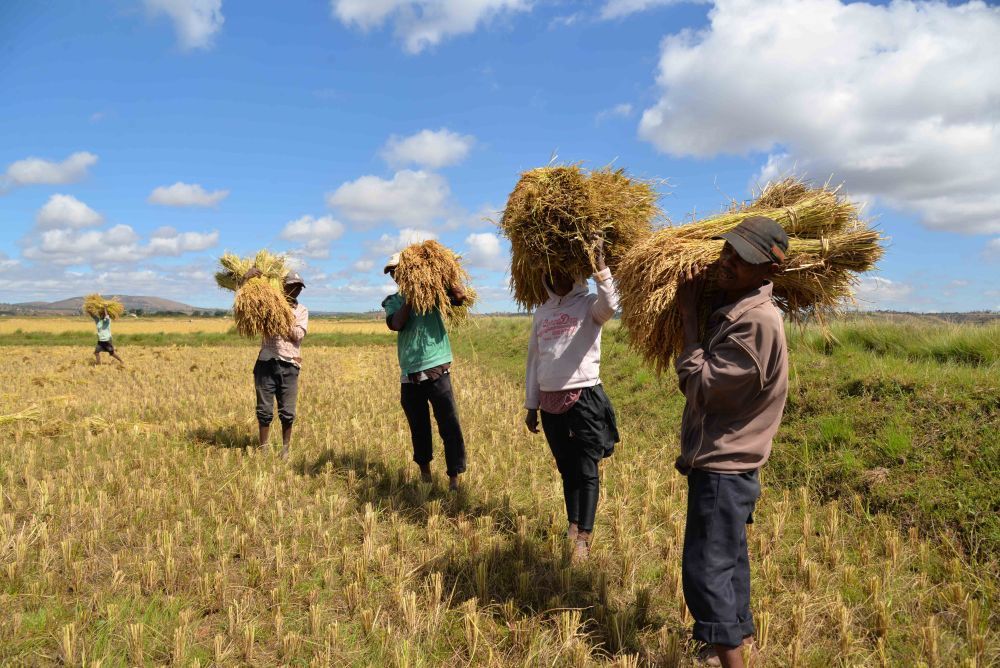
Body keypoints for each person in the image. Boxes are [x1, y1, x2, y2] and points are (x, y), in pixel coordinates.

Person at [673, 215, 790, 668]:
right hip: (728, 466)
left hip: (725, 467)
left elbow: (702, 387)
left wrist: (686, 320)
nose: (727, 263)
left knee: (707, 572)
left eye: (741, 260)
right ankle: (734, 637)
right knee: (729, 562)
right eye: (727, 251)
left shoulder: (757, 324)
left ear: (767, 272)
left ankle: (730, 658)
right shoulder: (739, 312)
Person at [523, 236, 620, 562]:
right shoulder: (542, 312)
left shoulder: (589, 304)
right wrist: (531, 405)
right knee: (567, 469)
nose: (556, 278)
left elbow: (611, 306)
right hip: (550, 403)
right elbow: (535, 361)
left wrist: (601, 267)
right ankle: (573, 523)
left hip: (584, 397)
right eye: (550, 274)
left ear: (575, 274)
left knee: (586, 468)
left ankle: (584, 538)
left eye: (562, 272)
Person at [382, 253, 468, 491]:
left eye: (399, 270)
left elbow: (460, 297)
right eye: (392, 273)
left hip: (437, 369)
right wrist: (411, 296)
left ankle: (454, 479)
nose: (396, 276)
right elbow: (396, 324)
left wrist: (445, 275)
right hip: (409, 374)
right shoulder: (394, 300)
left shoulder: (433, 295)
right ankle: (425, 475)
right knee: (419, 428)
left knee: (449, 425)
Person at [247, 269, 308, 460]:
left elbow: (297, 335)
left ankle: (285, 450)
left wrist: (281, 315)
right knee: (264, 411)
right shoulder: (267, 306)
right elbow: (247, 308)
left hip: (290, 366)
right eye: (291, 286)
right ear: (282, 286)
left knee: (287, 412)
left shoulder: (302, 311)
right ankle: (264, 450)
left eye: (298, 287)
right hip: (266, 362)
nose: (295, 290)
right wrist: (247, 280)